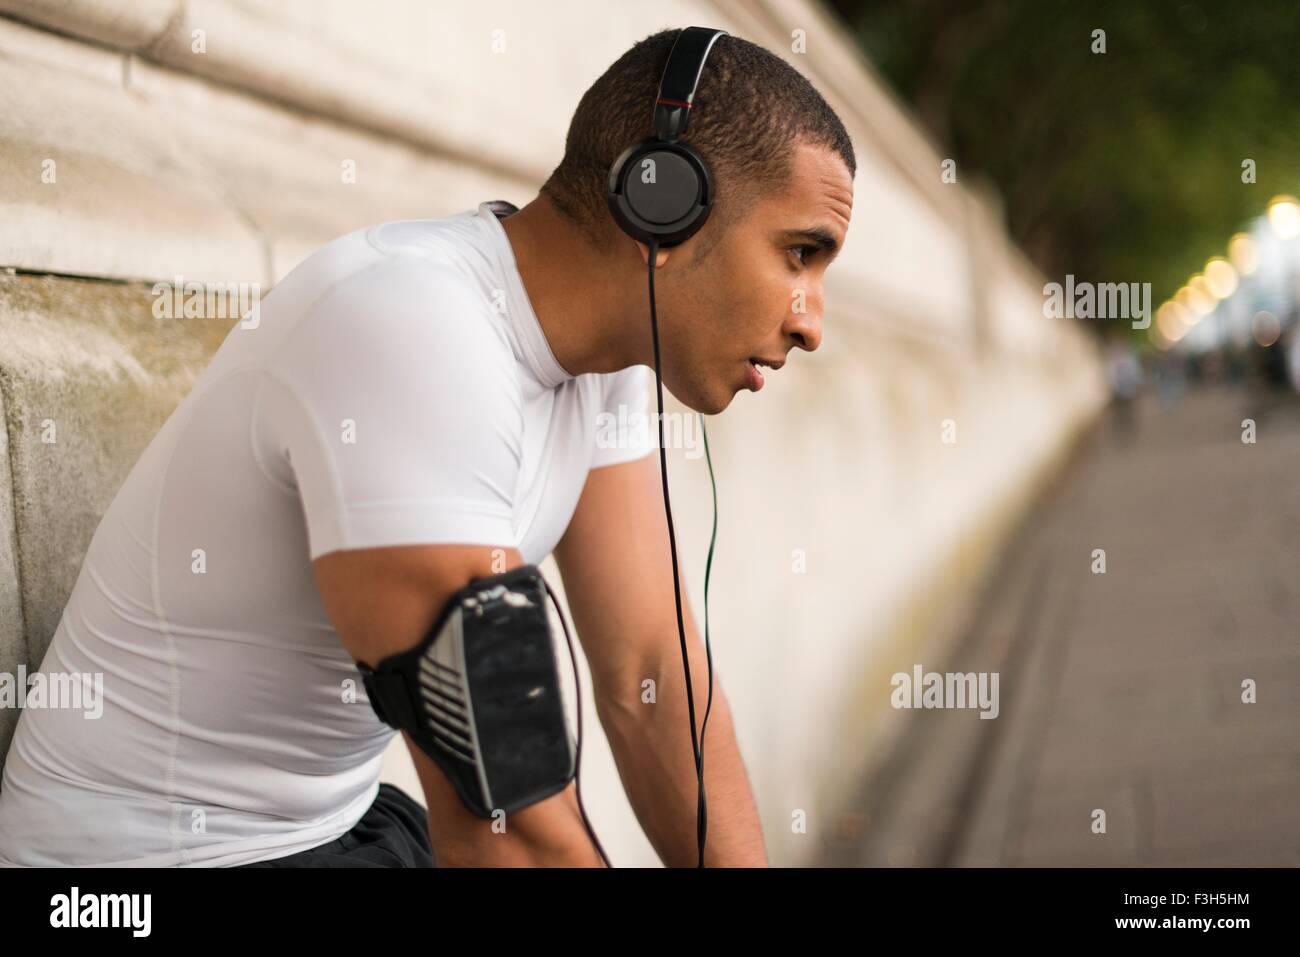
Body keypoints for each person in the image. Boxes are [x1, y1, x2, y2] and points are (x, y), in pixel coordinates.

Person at [0, 27, 854, 867]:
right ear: (662, 202)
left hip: (333, 828)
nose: (811, 322)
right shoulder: (413, 331)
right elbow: (505, 826)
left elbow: (653, 676)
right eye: (800, 253)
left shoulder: (608, 360)